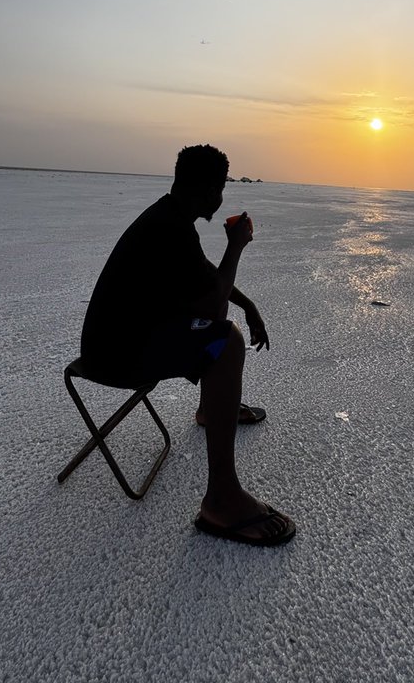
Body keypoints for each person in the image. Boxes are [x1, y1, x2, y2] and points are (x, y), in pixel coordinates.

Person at [79, 144, 296, 546]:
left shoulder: (171, 218)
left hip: (121, 340)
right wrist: (236, 246)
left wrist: (247, 304)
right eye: (220, 188)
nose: (221, 198)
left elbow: (204, 278)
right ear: (208, 189)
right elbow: (213, 306)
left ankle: (210, 410)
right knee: (225, 340)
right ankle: (221, 501)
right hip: (116, 357)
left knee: (214, 331)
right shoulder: (170, 227)